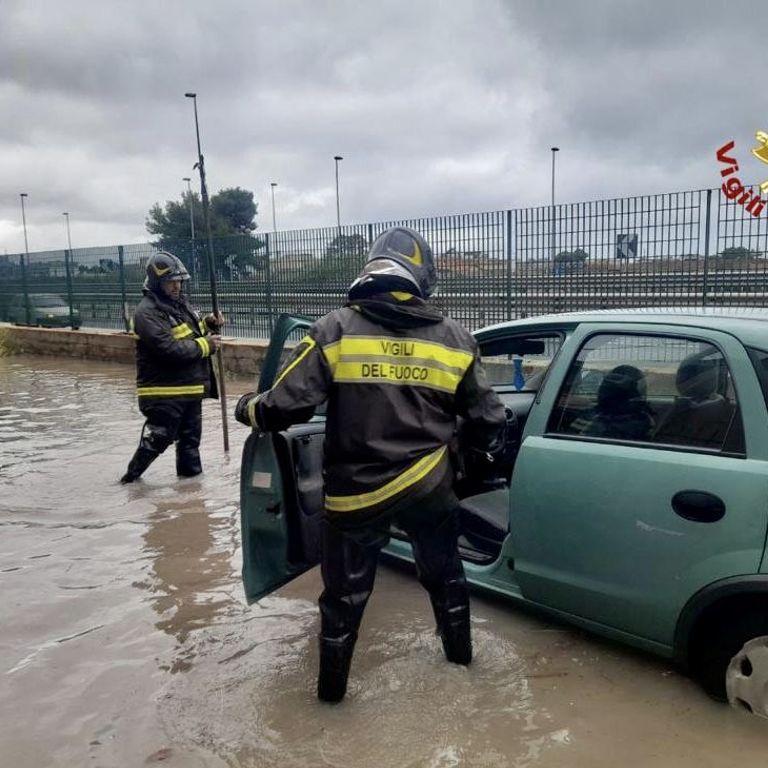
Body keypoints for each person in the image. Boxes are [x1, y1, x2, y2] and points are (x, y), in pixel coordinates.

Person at [234, 227, 506, 703]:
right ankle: (462, 666)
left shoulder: (334, 330)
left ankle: (331, 701)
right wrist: (470, 460)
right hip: (429, 485)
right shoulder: (457, 339)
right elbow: (488, 418)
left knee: (343, 599)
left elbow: (285, 409)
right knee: (446, 578)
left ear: (371, 271)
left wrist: (247, 408)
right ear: (423, 279)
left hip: (355, 493)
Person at [120, 251, 223, 484]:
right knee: (157, 440)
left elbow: (191, 335)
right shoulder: (146, 313)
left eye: (179, 281)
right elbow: (168, 348)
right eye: (170, 282)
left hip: (189, 390)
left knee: (190, 444)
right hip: (163, 393)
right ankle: (128, 482)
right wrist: (206, 345)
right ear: (157, 282)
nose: (176, 286)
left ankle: (191, 489)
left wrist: (208, 324)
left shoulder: (179, 305)